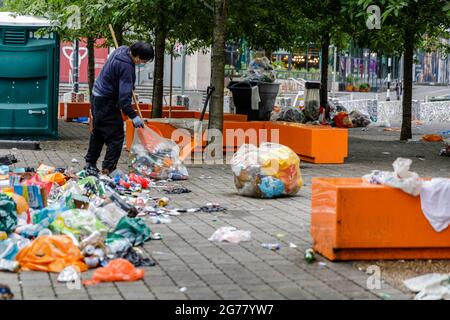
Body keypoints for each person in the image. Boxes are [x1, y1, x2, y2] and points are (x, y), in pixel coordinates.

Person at [84, 42, 154, 176]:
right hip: (106, 100)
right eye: (144, 60)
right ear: (138, 56)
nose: (143, 63)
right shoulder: (127, 67)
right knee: (116, 136)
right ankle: (109, 168)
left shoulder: (122, 49)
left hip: (97, 96)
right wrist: (133, 116)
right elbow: (124, 100)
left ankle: (90, 164)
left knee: (99, 132)